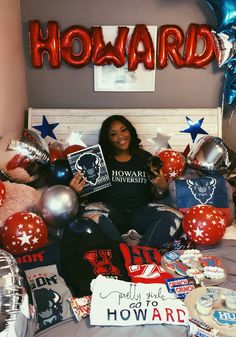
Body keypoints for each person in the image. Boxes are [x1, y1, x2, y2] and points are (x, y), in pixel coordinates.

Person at [69, 115, 183, 248]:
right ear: (108, 138)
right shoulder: (98, 160)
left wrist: (161, 184)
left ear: (130, 131)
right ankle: (122, 250)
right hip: (111, 215)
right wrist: (75, 192)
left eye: (124, 130)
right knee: (88, 214)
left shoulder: (146, 158)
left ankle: (143, 251)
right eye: (113, 134)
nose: (120, 136)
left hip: (140, 213)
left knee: (175, 217)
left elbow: (159, 195)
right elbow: (88, 196)